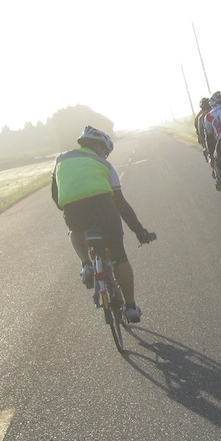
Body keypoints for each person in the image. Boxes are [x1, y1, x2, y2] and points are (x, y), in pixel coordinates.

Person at [51, 126, 155, 323]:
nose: (105, 156)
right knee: (119, 257)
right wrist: (139, 231)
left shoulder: (60, 160)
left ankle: (86, 265)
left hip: (72, 210)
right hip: (103, 208)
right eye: (105, 151)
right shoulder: (105, 165)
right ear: (98, 147)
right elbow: (120, 203)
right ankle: (131, 308)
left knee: (75, 230)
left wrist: (72, 208)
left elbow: (56, 197)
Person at [195, 97, 212, 161]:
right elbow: (200, 131)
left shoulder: (199, 117)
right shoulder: (199, 117)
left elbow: (200, 132)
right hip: (208, 136)